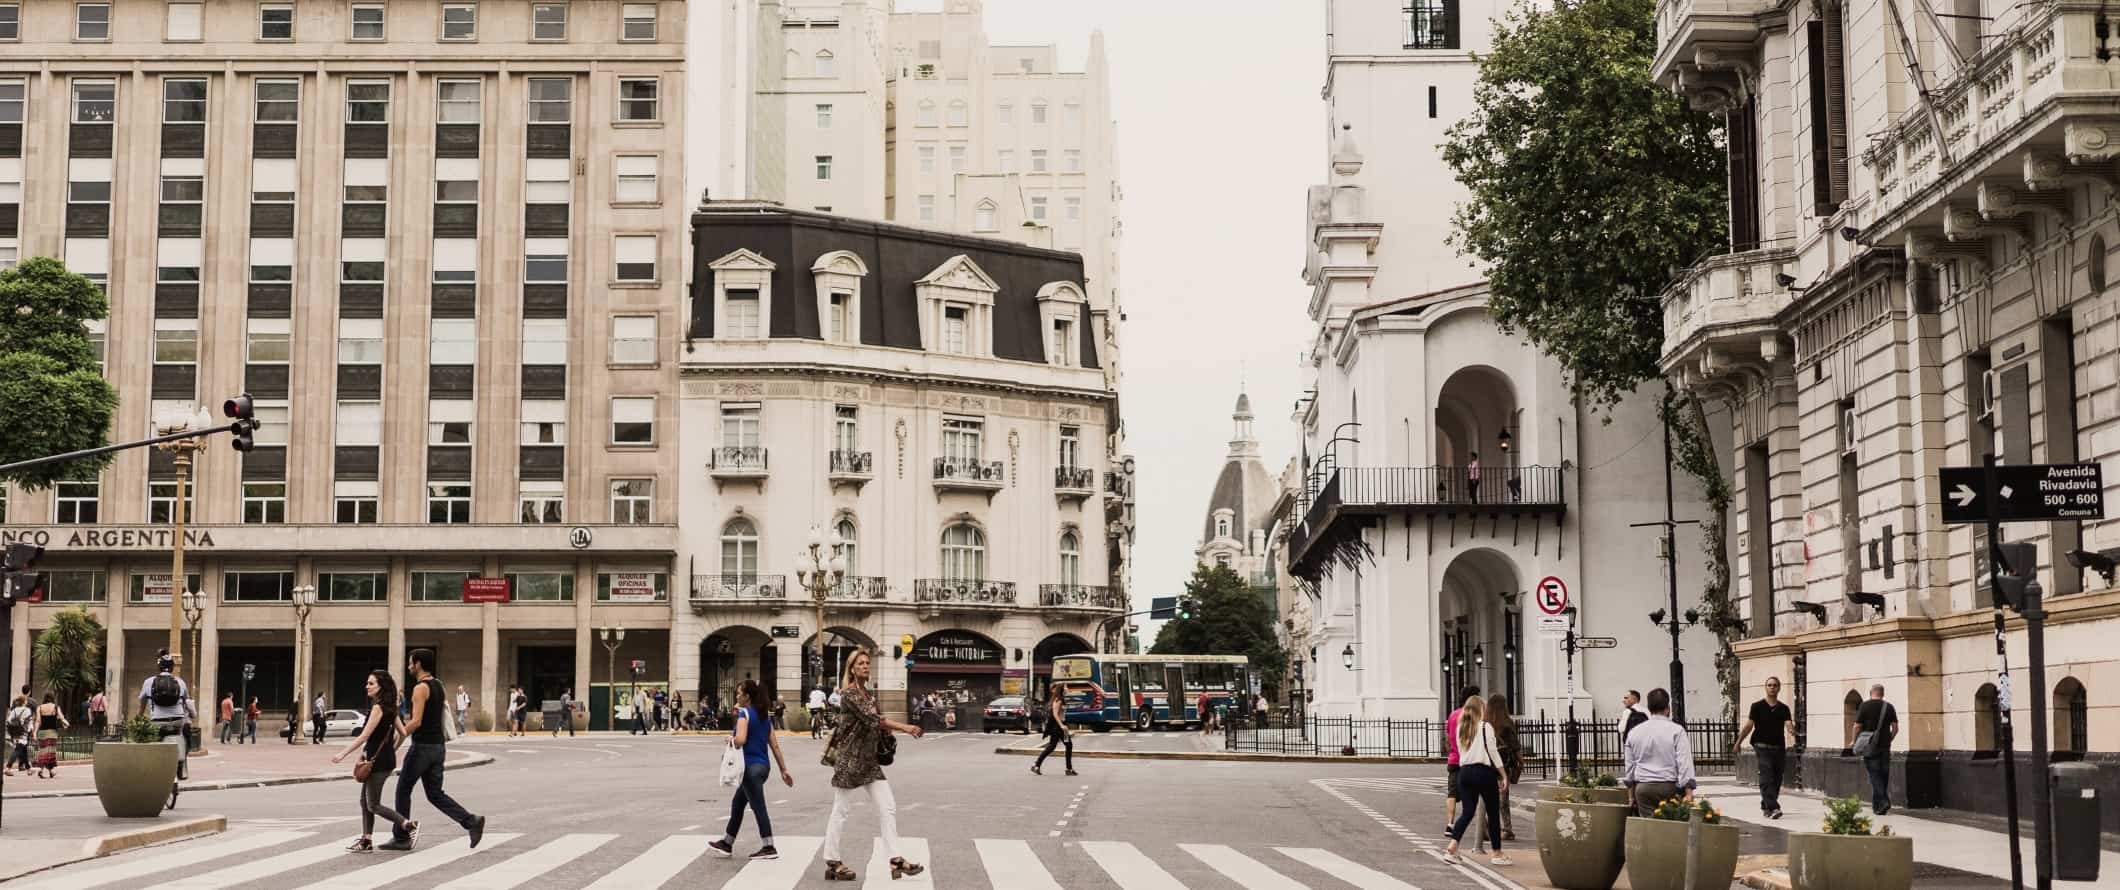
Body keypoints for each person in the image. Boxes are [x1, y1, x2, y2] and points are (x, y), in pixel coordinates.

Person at [820, 649, 925, 882]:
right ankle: (832, 861)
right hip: (849, 760)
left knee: (887, 807)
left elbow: (877, 724)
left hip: (868, 761)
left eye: (868, 663)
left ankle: (895, 859)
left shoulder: (867, 694)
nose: (866, 666)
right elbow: (874, 720)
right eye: (861, 663)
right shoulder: (850, 694)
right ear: (852, 668)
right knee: (841, 810)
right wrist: (906, 728)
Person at [384, 648, 486, 852]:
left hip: (422, 747)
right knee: (434, 793)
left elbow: (417, 721)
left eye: (411, 662)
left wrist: (398, 735)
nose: (409, 666)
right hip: (438, 747)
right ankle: (471, 821)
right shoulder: (438, 685)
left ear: (419, 664)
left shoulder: (420, 688)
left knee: (403, 789)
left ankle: (402, 836)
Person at [707, 679, 794, 861]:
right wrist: (783, 770)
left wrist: (729, 740)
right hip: (763, 767)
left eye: (739, 693)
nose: (737, 695)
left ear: (747, 697)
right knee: (738, 804)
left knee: (758, 807)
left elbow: (741, 740)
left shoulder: (743, 714)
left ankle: (769, 846)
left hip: (749, 768)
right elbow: (775, 746)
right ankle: (727, 843)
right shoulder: (764, 716)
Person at [333, 670, 416, 853]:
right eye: (367, 683)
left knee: (373, 804)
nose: (367, 686)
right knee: (365, 802)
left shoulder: (379, 708)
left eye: (371, 683)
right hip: (381, 759)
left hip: (377, 762)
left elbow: (364, 736)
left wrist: (343, 754)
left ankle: (408, 825)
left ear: (381, 687)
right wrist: (391, 749)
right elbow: (402, 734)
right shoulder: (390, 708)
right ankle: (366, 840)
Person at [1444, 695, 1511, 866]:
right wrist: (1503, 774)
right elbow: (1493, 751)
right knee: (1493, 813)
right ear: (1480, 709)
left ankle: (1452, 846)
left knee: (1467, 813)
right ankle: (1497, 853)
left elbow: (1460, 752)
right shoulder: (1485, 727)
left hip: (1464, 773)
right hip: (1483, 772)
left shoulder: (1461, 728)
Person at [1622, 688, 1696, 817]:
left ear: (1649, 709)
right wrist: (1689, 791)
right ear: (1668, 708)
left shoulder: (1634, 732)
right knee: (1671, 827)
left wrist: (1631, 796)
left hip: (1643, 788)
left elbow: (1630, 766)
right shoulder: (1677, 731)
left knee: (1650, 829)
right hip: (1670, 787)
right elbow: (1684, 762)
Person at [1734, 676, 1793, 819]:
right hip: (1761, 745)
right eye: (1769, 685)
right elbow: (1749, 726)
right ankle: (1774, 807)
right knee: (1766, 775)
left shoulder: (1784, 708)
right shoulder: (1757, 706)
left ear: (1779, 688)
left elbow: (1788, 723)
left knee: (1777, 777)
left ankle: (1766, 804)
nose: (1772, 687)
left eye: (1775, 685)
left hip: (1778, 746)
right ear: (1765, 687)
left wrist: (1791, 729)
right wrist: (1738, 742)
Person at [140, 654, 195, 779]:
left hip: (157, 721)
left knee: (155, 740)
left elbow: (142, 704)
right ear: (172, 668)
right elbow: (187, 701)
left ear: (159, 667)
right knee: (182, 736)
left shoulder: (148, 682)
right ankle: (181, 766)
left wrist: (139, 717)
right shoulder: (180, 682)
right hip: (177, 720)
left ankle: (155, 767)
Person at [1855, 684, 1900, 815]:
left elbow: (1857, 726)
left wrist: (1855, 740)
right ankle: (1878, 806)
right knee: (1883, 775)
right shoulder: (1889, 707)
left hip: (1870, 747)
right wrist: (1889, 739)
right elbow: (1895, 729)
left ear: (1871, 693)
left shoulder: (1864, 706)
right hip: (1885, 747)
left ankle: (1884, 801)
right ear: (1882, 693)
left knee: (1874, 775)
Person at [1444, 685, 1480, 837]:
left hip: (1453, 759)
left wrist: (1451, 750)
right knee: (1473, 794)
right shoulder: (1472, 715)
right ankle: (1480, 827)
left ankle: (1450, 823)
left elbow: (1447, 737)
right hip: (1469, 760)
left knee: (1452, 793)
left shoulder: (1453, 715)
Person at [1488, 693, 1523, 841]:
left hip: (1489, 764)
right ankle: (1507, 828)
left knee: (1488, 798)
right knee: (1503, 799)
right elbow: (1515, 746)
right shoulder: (1508, 723)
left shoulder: (1486, 723)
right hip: (1504, 765)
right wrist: (1520, 762)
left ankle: (1489, 827)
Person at [1031, 683, 1076, 776]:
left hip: (1062, 725)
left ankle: (1068, 769)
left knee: (1067, 745)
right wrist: (1061, 726)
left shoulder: (1062, 700)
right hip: (1057, 726)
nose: (1067, 689)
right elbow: (1055, 714)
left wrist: (1064, 725)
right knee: (1053, 746)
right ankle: (1036, 765)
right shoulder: (1058, 700)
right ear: (1062, 689)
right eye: (1066, 687)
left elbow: (1061, 714)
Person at [30, 693, 66, 778]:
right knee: (50, 753)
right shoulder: (56, 707)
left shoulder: (40, 707)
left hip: (42, 733)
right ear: (53, 699)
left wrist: (35, 732)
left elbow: (38, 721)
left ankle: (50, 772)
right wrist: (66, 723)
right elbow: (61, 717)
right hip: (52, 732)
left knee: (43, 752)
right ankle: (42, 770)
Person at [5, 695, 32, 775]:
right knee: (17, 750)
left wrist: (14, 728)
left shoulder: (14, 710)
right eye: (26, 701)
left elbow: (8, 721)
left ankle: (29, 769)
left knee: (23, 750)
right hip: (23, 732)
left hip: (15, 733)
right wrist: (31, 730)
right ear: (24, 702)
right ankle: (8, 767)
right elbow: (30, 722)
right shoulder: (27, 710)